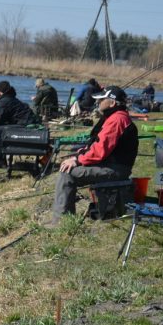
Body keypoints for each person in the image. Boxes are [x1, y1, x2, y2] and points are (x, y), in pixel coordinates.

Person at [50, 86, 139, 223]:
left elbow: (99, 151)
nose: (98, 102)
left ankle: (60, 221)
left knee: (67, 173)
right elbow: (95, 145)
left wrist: (78, 161)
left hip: (115, 169)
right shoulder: (115, 117)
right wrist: (77, 156)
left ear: (112, 103)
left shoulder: (117, 120)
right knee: (69, 165)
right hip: (110, 164)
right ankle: (63, 217)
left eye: (101, 99)